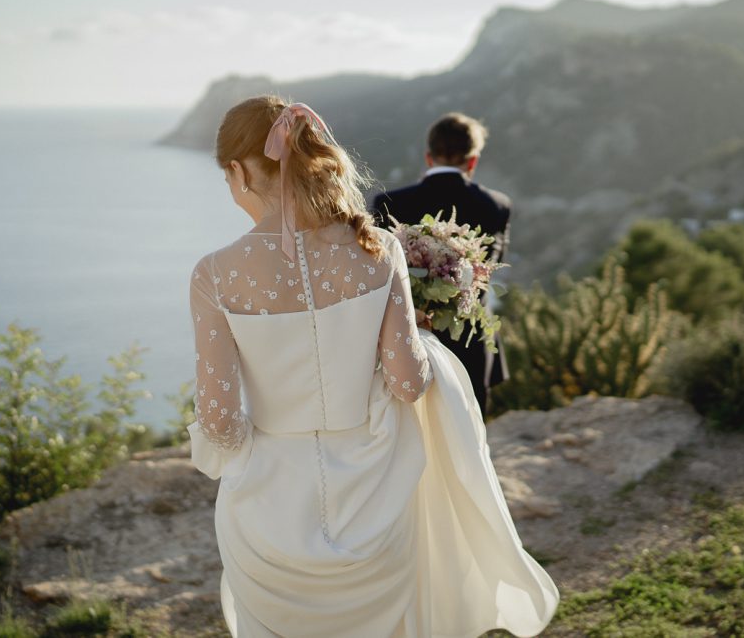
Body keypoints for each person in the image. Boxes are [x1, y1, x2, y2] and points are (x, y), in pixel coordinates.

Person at [186, 95, 558, 637]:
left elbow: (218, 421)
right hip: (375, 489)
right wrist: (423, 345)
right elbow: (408, 384)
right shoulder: (378, 248)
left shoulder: (213, 274)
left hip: (270, 502)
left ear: (238, 170)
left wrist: (262, 446)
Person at [369, 112, 511, 415]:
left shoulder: (389, 203)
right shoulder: (496, 206)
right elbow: (491, 271)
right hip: (470, 339)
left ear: (428, 157)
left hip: (409, 340)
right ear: (472, 161)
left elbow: (377, 273)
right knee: (471, 426)